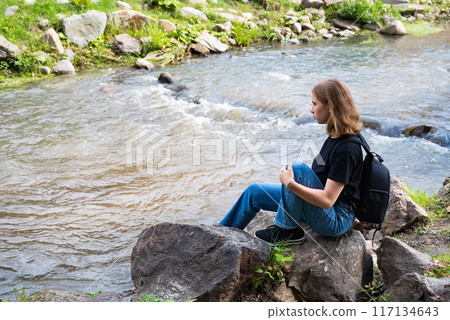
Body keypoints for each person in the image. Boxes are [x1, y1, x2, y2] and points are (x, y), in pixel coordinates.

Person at [219, 78, 364, 245]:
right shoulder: (336, 136)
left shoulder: (347, 148)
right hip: (320, 210)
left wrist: (290, 184)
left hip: (335, 219)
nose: (311, 110)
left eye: (314, 104)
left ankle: (287, 230)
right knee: (254, 192)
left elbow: (328, 200)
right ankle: (219, 236)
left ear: (329, 106)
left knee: (298, 169)